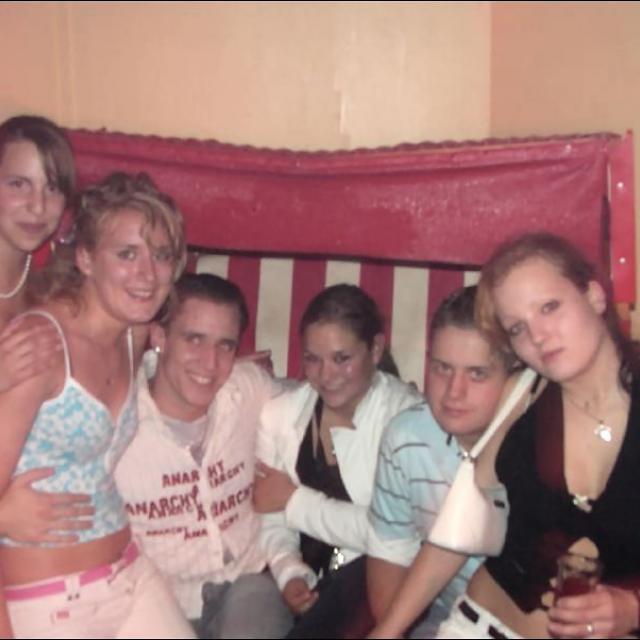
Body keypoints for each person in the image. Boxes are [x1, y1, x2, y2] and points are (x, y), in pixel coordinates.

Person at [372, 232, 640, 640]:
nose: (538, 336)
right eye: (517, 328)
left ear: (594, 296)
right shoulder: (521, 396)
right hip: (477, 627)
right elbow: (455, 534)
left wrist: (633, 608)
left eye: (549, 307)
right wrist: (386, 632)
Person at [0, 171, 195, 638]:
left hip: (130, 573)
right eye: (127, 253)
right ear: (85, 258)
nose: (147, 274)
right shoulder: (42, 346)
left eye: (161, 255)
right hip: (48, 599)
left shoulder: (135, 332)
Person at [114, 272, 293, 639]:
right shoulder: (117, 415)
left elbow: (319, 404)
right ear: (159, 336)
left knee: (256, 604)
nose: (210, 363)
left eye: (225, 346)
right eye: (194, 339)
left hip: (248, 585)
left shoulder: (245, 388)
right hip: (158, 601)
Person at [253, 283, 423, 639]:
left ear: (375, 349)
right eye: (313, 359)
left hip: (380, 582)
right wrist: (289, 572)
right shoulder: (279, 415)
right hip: (311, 582)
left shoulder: (406, 419)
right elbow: (270, 515)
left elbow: (392, 536)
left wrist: (294, 501)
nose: (325, 375)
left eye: (341, 359)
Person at [366, 285, 515, 638]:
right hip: (442, 622)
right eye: (442, 368)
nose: (453, 392)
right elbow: (389, 570)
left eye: (477, 374)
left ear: (514, 378)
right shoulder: (405, 439)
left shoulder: (536, 448)